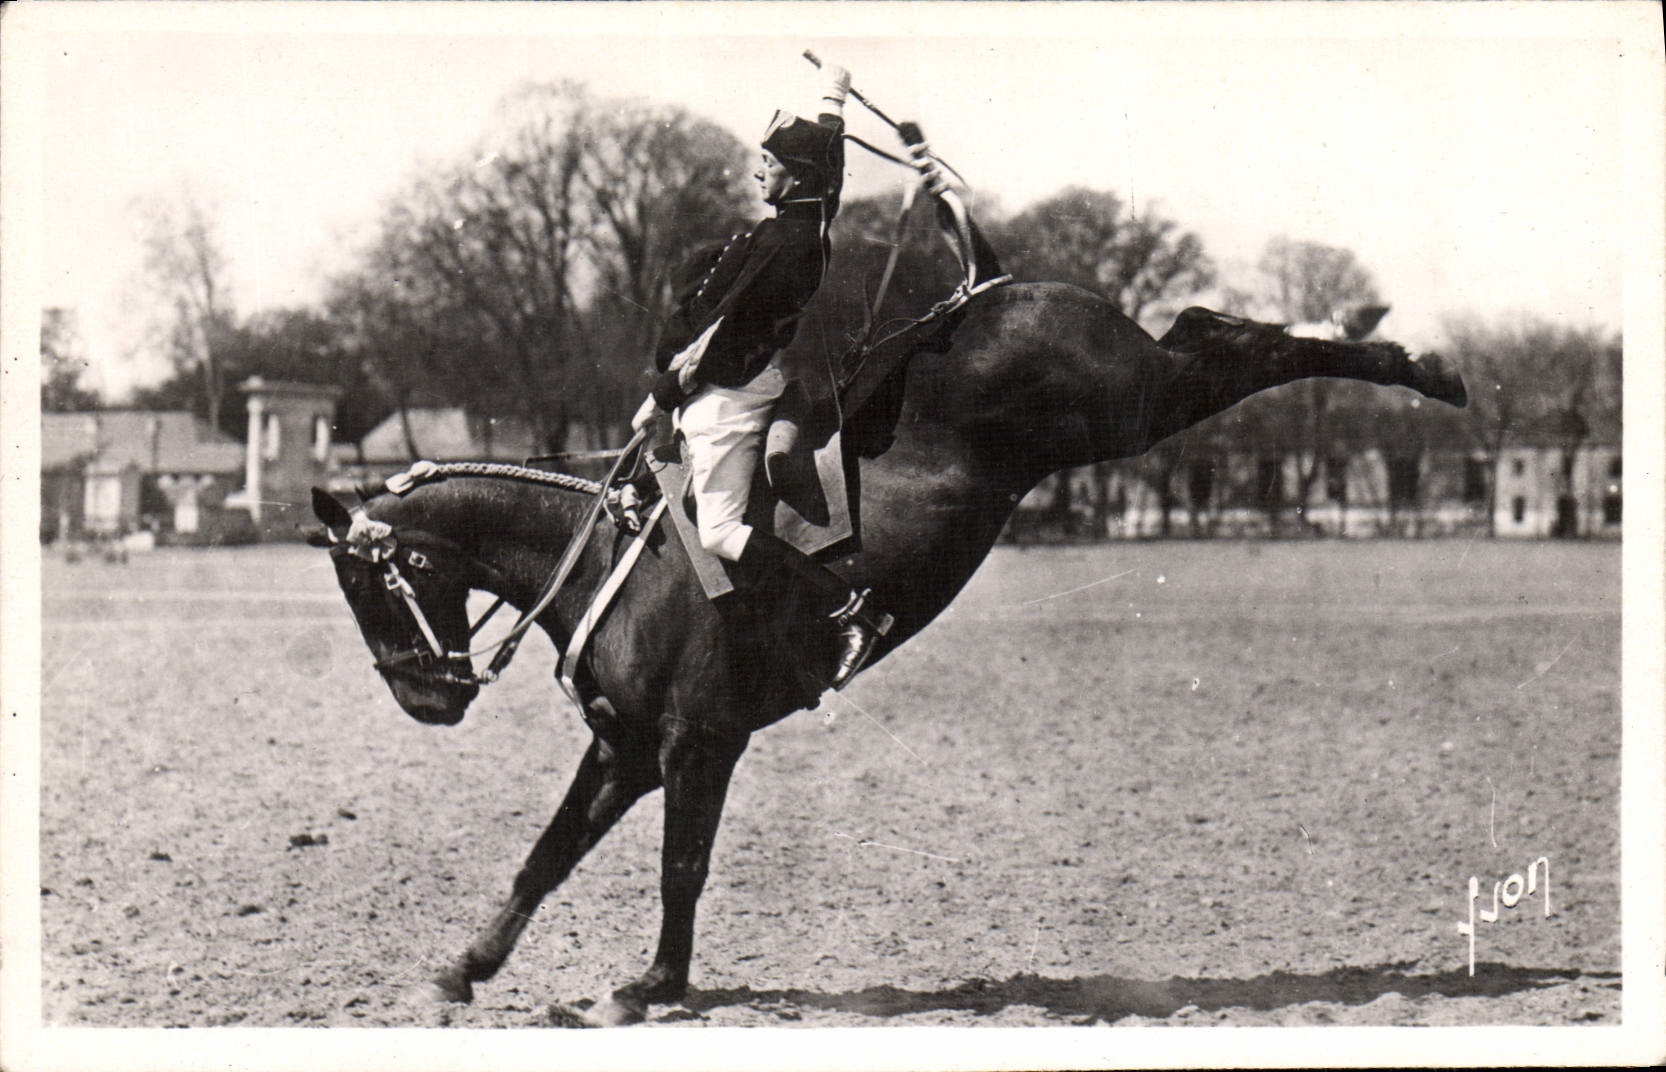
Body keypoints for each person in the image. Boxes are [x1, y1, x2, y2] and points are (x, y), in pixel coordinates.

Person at [630, 62, 888, 691]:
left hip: (728, 394)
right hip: (755, 382)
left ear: (794, 176)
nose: (758, 172)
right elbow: (828, 162)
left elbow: (712, 341)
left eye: (768, 164)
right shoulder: (813, 225)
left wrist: (658, 398)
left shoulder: (780, 244)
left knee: (718, 531)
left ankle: (845, 612)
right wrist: (833, 96)